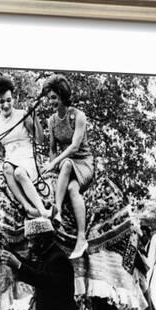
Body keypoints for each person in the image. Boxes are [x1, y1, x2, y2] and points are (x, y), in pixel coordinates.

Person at [42, 74, 94, 259]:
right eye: (49, 98)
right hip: (65, 165)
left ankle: (58, 212)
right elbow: (52, 150)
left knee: (66, 167)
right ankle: (79, 238)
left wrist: (55, 163)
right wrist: (50, 168)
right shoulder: (52, 121)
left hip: (83, 163)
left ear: (63, 96)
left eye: (54, 98)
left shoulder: (78, 116)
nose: (51, 102)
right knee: (71, 188)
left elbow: (74, 147)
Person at [0, 75, 52, 219]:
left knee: (19, 172)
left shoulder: (22, 115)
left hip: (27, 156)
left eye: (8, 100)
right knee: (6, 168)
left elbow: (40, 140)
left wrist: (35, 118)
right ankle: (27, 207)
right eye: (1, 102)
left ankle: (42, 210)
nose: (5, 105)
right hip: (10, 159)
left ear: (13, 99)